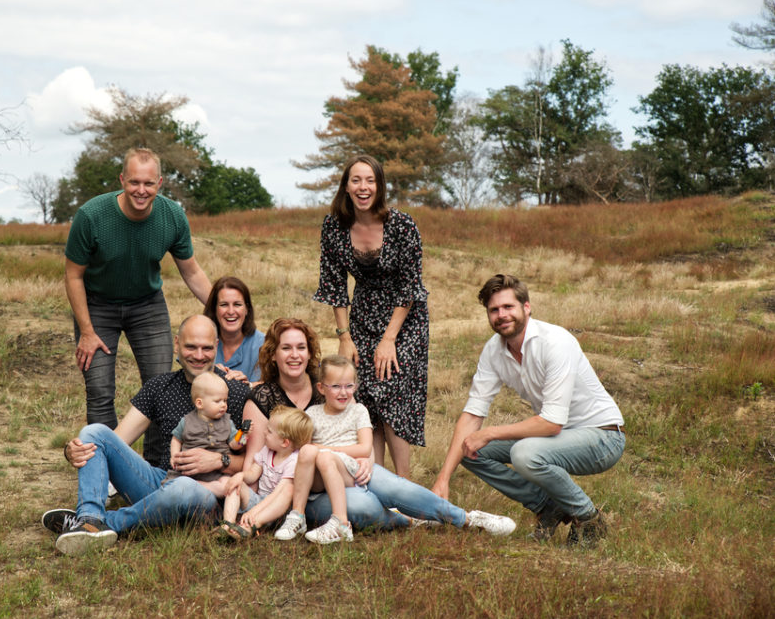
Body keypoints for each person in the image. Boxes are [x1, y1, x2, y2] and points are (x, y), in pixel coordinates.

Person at [243, 318, 513, 536]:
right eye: (286, 348)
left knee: (397, 488)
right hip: (305, 489)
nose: (294, 355)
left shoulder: (332, 385)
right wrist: (260, 508)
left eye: (300, 347)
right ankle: (408, 522)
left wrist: (368, 459)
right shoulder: (264, 398)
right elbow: (257, 460)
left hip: (350, 467)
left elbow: (358, 430)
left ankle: (466, 518)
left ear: (310, 353)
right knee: (365, 507)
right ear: (273, 354)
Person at [432, 274, 626, 547]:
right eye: (494, 310)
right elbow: (473, 413)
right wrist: (443, 479)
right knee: (468, 449)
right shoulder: (494, 351)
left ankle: (589, 519)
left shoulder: (555, 341)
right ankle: (548, 506)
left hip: (603, 437)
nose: (501, 315)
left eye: (508, 307)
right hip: (558, 437)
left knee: (524, 453)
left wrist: (489, 433)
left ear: (526, 307)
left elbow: (551, 424)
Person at [41, 315, 250, 556]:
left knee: (184, 487)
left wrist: (218, 461)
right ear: (176, 345)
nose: (199, 355)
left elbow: (257, 463)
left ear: (217, 346)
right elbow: (114, 442)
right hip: (161, 480)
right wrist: (72, 449)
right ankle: (89, 517)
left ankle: (104, 523)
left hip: (208, 492)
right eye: (191, 346)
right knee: (93, 431)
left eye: (207, 348)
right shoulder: (159, 387)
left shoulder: (234, 391)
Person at [65, 147, 212, 430]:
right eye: (134, 182)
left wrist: (223, 309)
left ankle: (155, 468)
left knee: (161, 389)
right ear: (122, 180)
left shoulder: (172, 216)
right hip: (97, 306)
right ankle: (105, 468)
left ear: (159, 183)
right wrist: (86, 331)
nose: (141, 190)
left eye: (148, 183)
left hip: (147, 305)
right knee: (99, 392)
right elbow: (73, 276)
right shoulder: (91, 216)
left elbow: (191, 270)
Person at [314, 154, 429, 478]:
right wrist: (344, 337)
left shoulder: (402, 225)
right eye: (356, 180)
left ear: (379, 187)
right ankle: (377, 480)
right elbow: (334, 285)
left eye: (370, 181)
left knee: (389, 387)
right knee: (364, 393)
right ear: (346, 187)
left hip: (404, 318)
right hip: (363, 314)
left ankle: (403, 485)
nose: (363, 187)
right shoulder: (334, 226)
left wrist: (389, 339)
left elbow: (410, 287)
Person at [276, 356, 373, 544]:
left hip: (347, 470)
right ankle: (298, 516)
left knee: (324, 457)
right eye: (336, 386)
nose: (343, 392)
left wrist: (324, 449)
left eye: (349, 386)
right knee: (306, 452)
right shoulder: (312, 413)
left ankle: (341, 523)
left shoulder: (358, 410)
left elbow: (365, 448)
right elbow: (305, 448)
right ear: (321, 388)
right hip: (319, 475)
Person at [219, 406, 313, 540]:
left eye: (269, 431)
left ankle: (251, 526)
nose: (264, 433)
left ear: (284, 442)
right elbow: (253, 474)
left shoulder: (294, 460)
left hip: (276, 511)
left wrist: (254, 512)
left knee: (287, 491)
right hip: (260, 501)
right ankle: (228, 524)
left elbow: (277, 494)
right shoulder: (267, 451)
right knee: (237, 484)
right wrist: (240, 476)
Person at [164, 372, 244, 497]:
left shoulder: (228, 422)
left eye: (225, 400)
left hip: (217, 474)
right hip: (188, 472)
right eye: (218, 401)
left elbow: (235, 445)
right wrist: (174, 455)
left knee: (229, 485)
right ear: (200, 403)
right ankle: (195, 486)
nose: (223, 405)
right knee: (178, 483)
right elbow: (176, 439)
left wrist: (243, 435)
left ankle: (201, 487)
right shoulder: (186, 421)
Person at [203, 276, 265, 384]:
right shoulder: (201, 339)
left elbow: (272, 387)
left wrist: (247, 386)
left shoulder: (263, 344)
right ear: (214, 309)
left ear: (246, 309)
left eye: (237, 304)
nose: (231, 311)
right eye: (224, 305)